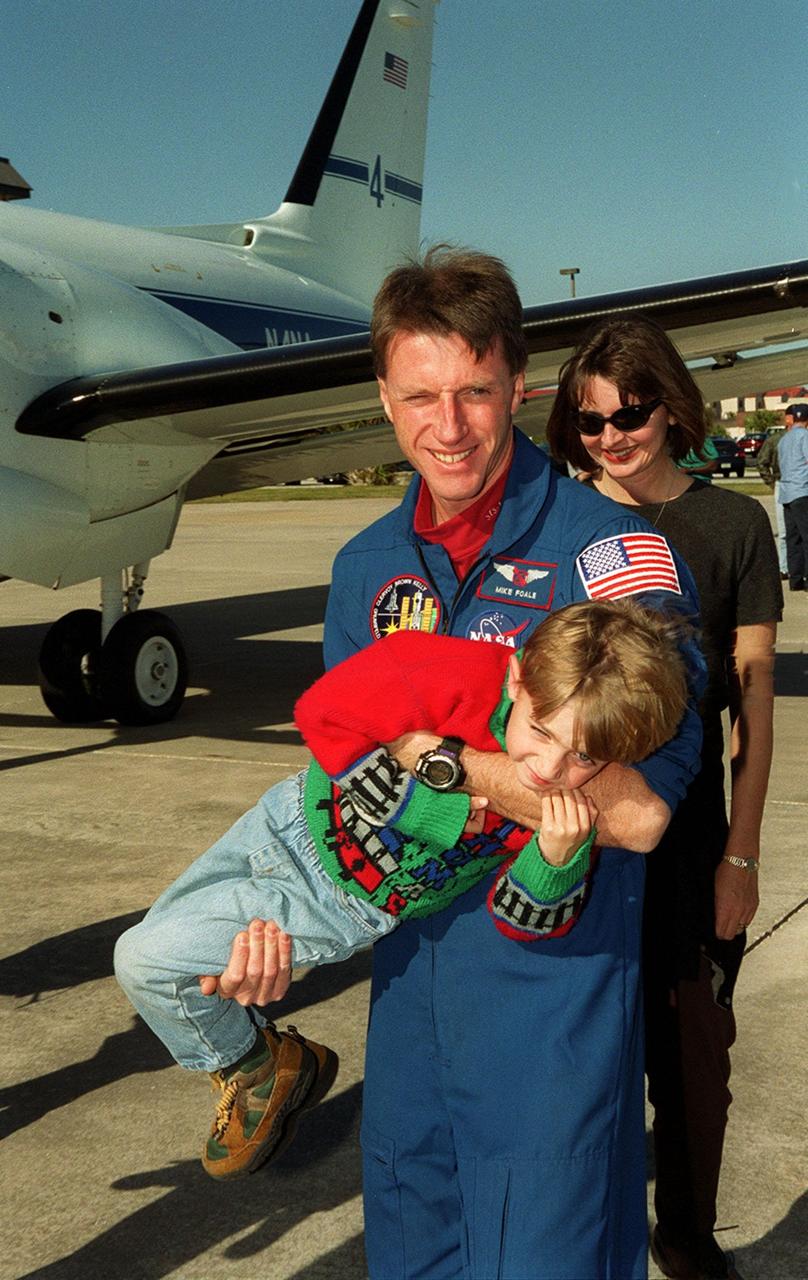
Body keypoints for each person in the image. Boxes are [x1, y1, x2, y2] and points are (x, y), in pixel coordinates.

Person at [324, 245, 706, 1280]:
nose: (447, 427)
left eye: (475, 393)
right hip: (408, 1006)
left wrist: (442, 760)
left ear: (518, 383)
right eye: (420, 395)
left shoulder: (611, 559)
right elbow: (341, 785)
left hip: (551, 1011)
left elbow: (637, 812)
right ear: (383, 396)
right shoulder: (363, 567)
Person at [115, 599, 690, 1181]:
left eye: (585, 756)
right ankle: (268, 1056)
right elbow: (323, 709)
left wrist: (558, 858)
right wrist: (430, 811)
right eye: (540, 731)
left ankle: (253, 1062)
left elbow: (522, 918)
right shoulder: (452, 671)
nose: (546, 769)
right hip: (284, 817)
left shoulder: (563, 809)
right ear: (517, 677)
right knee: (161, 944)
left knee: (142, 959)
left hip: (337, 902)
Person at [546, 313, 783, 1280]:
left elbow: (753, 704)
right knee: (580, 1065)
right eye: (592, 422)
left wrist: (742, 853)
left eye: (631, 412)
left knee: (692, 1065)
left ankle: (686, 1241)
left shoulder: (734, 526)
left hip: (690, 845)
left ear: (671, 406)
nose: (613, 437)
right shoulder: (562, 521)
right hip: (576, 837)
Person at [777, 401, 808, 591]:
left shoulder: (784, 439)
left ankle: (795, 579)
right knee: (807, 536)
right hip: (802, 490)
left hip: (786, 492)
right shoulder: (804, 436)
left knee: (792, 538)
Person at [755, 419, 788, 578]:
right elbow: (762, 461)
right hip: (782, 482)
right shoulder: (776, 439)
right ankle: (784, 567)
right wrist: (772, 483)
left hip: (799, 483)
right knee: (783, 530)